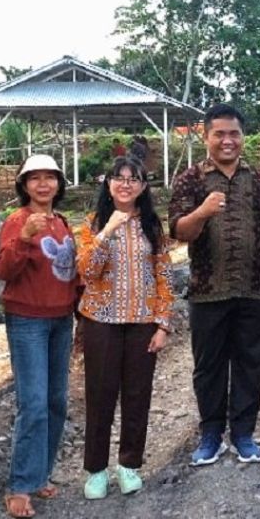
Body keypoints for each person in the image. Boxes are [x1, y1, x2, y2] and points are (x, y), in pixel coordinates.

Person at [168, 104, 260, 466]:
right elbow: (179, 232)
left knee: (251, 362)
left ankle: (243, 433)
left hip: (254, 289)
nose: (227, 140)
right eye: (219, 133)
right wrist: (203, 211)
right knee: (208, 366)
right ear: (205, 137)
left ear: (242, 137)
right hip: (207, 292)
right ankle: (210, 434)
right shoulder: (190, 180)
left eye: (233, 133)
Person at [75, 157, 174, 498]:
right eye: (119, 178)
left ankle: (129, 464)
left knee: (137, 395)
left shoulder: (152, 227)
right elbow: (86, 273)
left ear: (144, 187)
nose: (126, 184)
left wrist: (163, 324)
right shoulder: (92, 224)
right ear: (108, 184)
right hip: (101, 321)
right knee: (100, 396)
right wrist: (107, 232)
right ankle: (96, 470)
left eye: (134, 179)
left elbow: (164, 275)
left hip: (143, 322)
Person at [0, 154, 78, 519]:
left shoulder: (62, 223)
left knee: (57, 400)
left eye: (50, 178)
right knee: (34, 401)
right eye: (35, 178)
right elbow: (2, 270)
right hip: (27, 319)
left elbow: (70, 271)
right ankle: (21, 485)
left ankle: (40, 472)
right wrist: (24, 240)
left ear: (59, 184)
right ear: (24, 185)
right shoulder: (17, 221)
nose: (43, 185)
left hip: (61, 319)